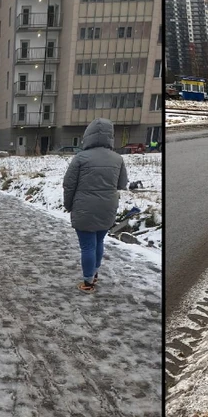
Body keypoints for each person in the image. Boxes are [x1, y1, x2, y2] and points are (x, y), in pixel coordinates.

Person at [63, 118, 128, 294]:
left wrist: (68, 205)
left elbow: (69, 185)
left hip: (84, 207)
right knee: (99, 241)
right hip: (107, 206)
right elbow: (122, 184)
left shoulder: (80, 158)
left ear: (88, 135)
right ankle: (95, 273)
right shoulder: (117, 158)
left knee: (87, 246)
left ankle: (88, 282)